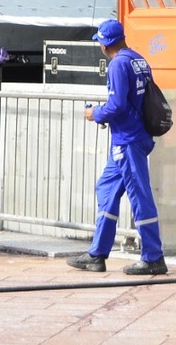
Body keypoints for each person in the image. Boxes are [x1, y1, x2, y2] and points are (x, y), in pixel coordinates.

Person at [66, 19, 167, 276]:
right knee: (107, 189)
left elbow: (118, 106)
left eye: (99, 41)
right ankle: (97, 254)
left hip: (128, 140)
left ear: (105, 43)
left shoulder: (117, 65)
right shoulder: (137, 59)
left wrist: (95, 113)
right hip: (131, 137)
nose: (98, 45)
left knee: (139, 196)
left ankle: (153, 257)